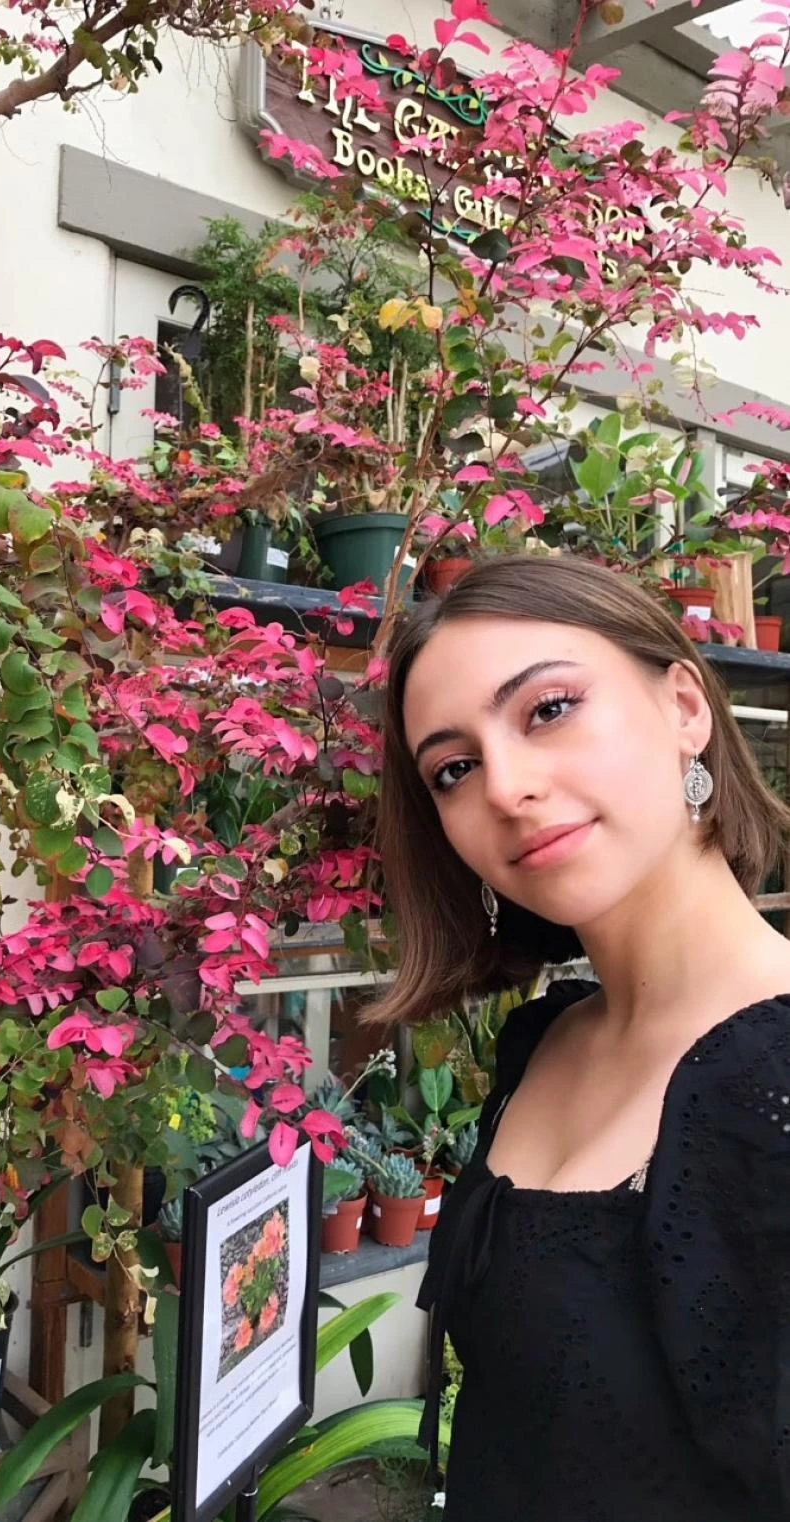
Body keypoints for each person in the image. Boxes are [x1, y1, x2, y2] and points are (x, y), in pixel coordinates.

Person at [370, 556, 790, 1522]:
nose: (506, 788)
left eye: (549, 709)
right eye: (454, 768)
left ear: (686, 706)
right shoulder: (545, 1043)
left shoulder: (772, 1086)